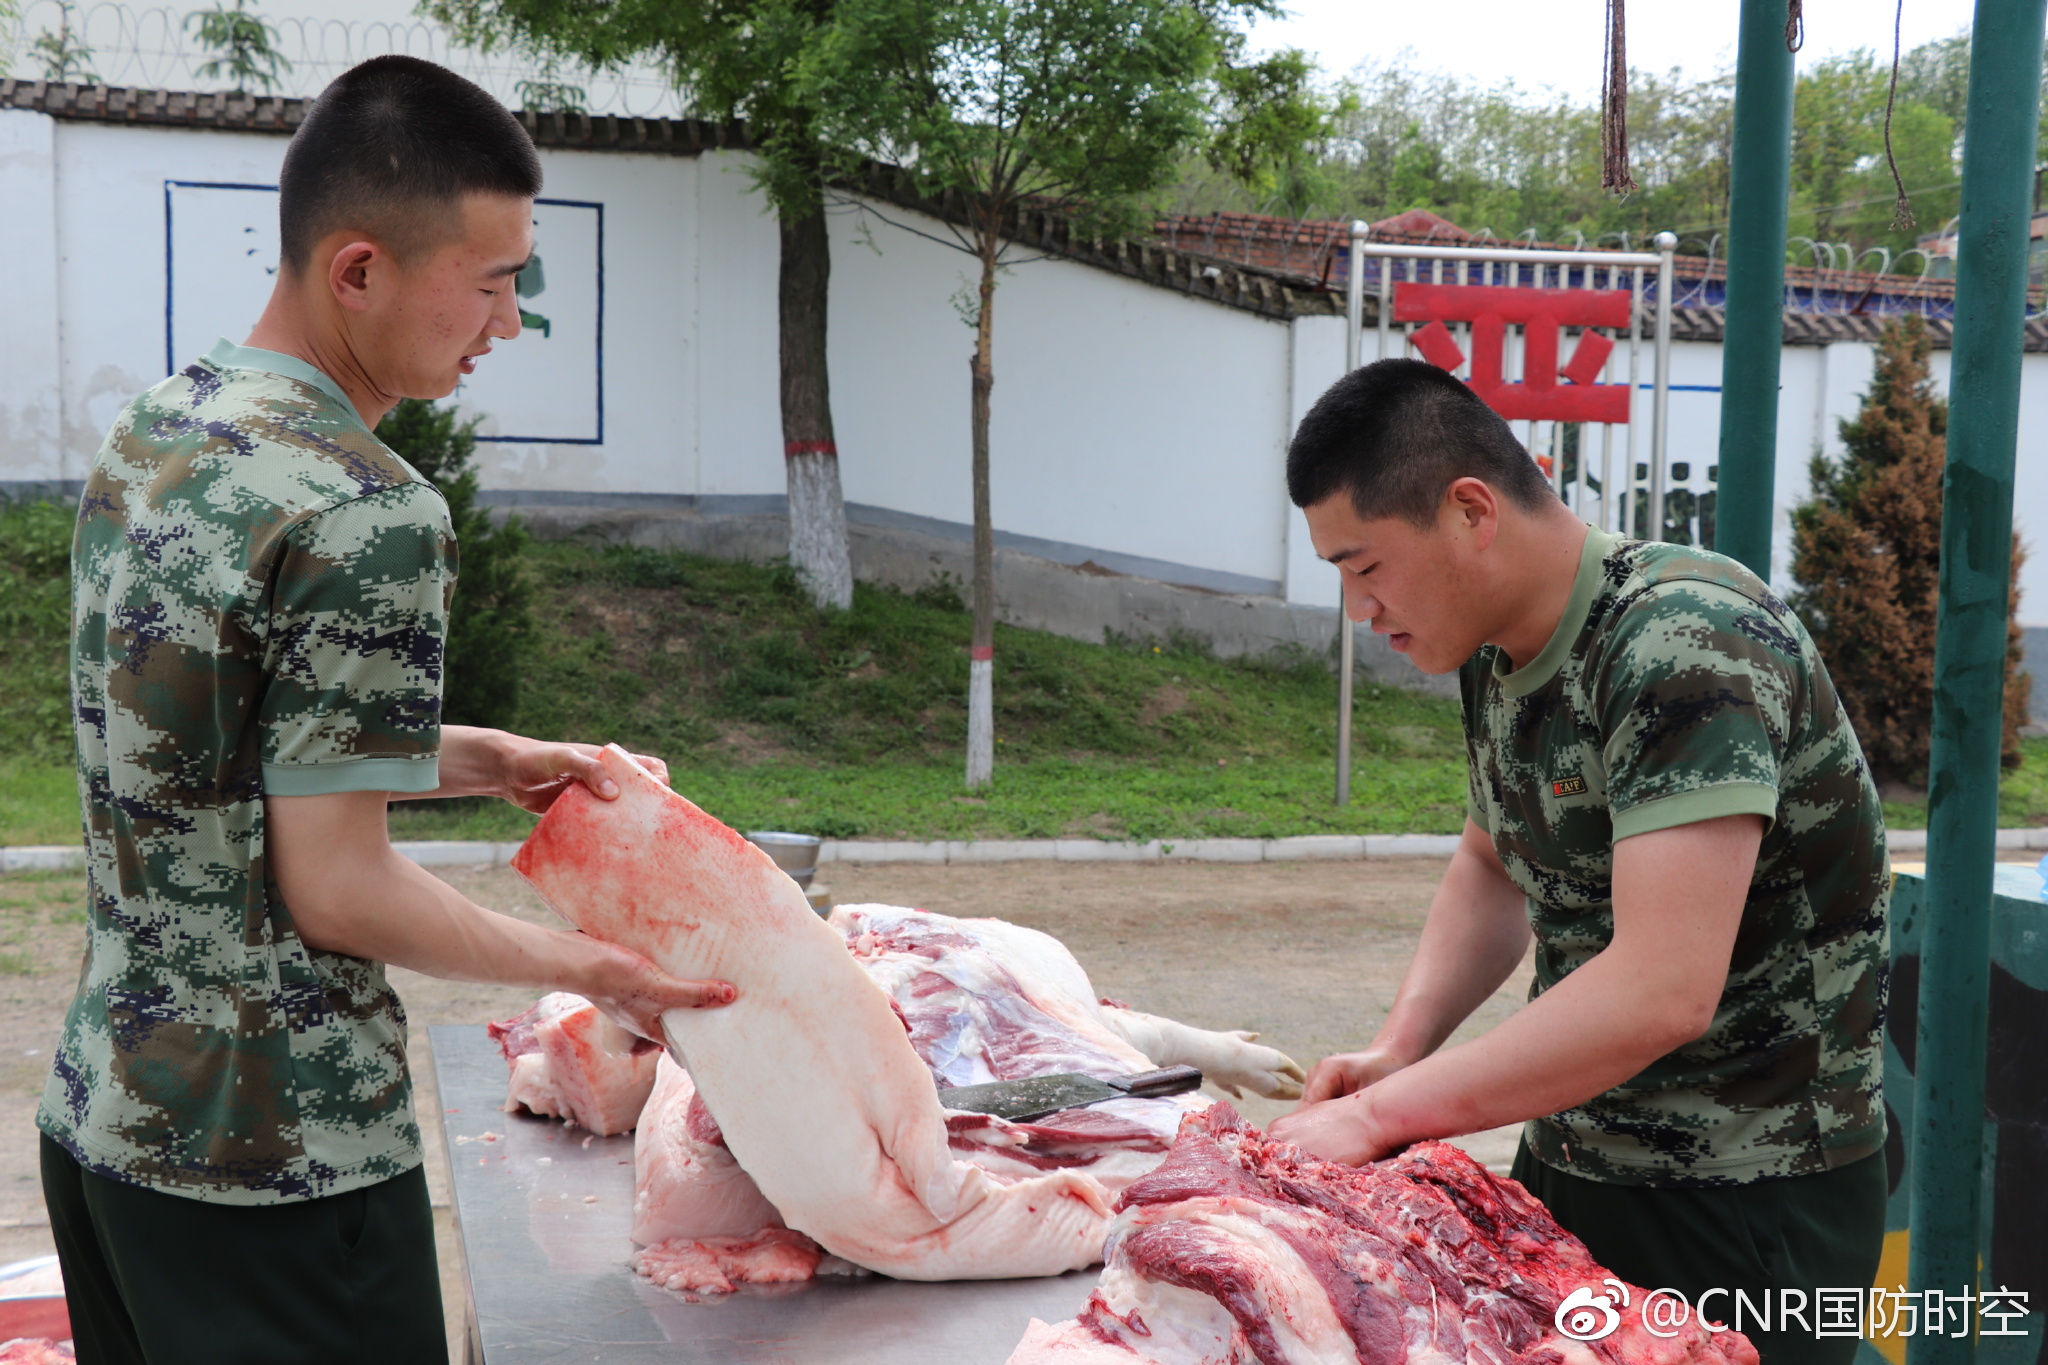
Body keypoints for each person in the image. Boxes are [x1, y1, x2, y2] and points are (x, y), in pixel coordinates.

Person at [38, 55, 733, 1365]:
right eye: (488, 284)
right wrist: (594, 968)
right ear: (357, 270)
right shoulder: (366, 508)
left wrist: (492, 758)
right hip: (277, 1165)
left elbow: (215, 755)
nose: (510, 322)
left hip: (110, 1126)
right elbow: (340, 890)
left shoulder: (165, 428)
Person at [1266, 359, 1888, 1365]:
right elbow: (1490, 861)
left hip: (1745, 1199)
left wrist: (1383, 1115)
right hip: (1574, 1161)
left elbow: (1659, 990)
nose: (1357, 609)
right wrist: (1399, 1047)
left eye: (1364, 567)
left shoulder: (1684, 642)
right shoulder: (1495, 649)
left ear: (1469, 512)